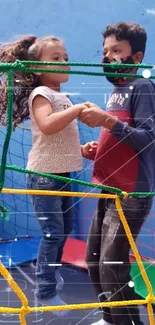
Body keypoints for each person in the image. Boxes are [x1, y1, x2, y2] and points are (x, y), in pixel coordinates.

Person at [0, 35, 98, 317]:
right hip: (44, 175)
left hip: (63, 172)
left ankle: (50, 275)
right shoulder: (41, 95)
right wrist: (78, 109)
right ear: (36, 68)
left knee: (63, 231)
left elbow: (60, 139)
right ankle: (45, 291)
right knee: (53, 233)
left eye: (65, 57)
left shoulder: (62, 96)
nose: (64, 62)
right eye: (55, 58)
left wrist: (82, 149)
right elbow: (47, 126)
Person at [79, 22, 155, 325]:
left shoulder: (143, 87)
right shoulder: (117, 90)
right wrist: (98, 149)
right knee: (93, 260)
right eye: (105, 52)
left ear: (136, 57)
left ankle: (125, 322)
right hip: (109, 188)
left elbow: (147, 138)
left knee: (112, 265)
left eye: (117, 51)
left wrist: (107, 122)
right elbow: (124, 140)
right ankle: (111, 318)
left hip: (131, 192)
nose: (109, 57)